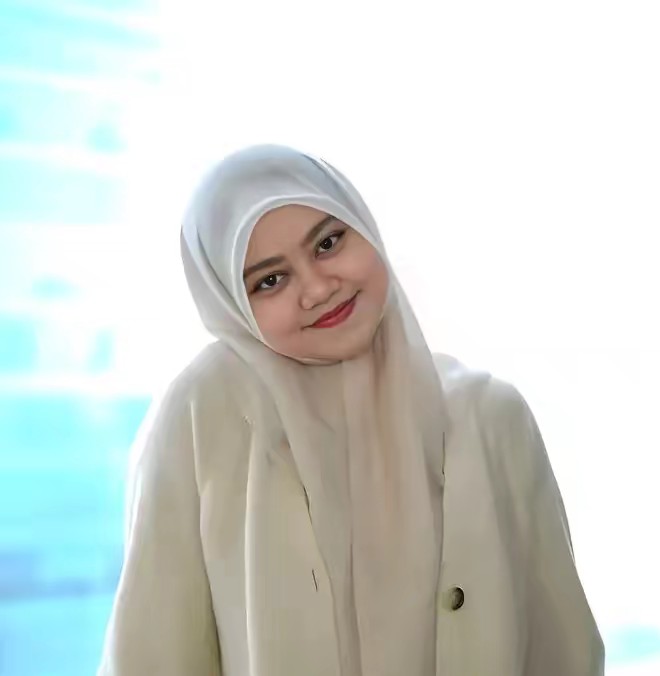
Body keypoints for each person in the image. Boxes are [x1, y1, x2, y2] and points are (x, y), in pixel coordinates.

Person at [97, 144, 604, 675]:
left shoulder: (489, 415)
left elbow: (564, 650)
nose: (318, 289)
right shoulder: (201, 417)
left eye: (328, 243)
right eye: (270, 280)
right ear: (231, 305)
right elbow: (150, 656)